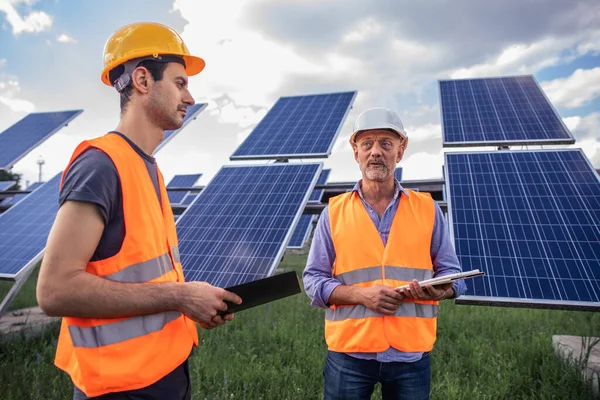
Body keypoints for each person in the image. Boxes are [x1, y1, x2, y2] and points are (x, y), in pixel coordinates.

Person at [36, 22, 242, 399]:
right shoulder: (101, 164)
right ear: (143, 80)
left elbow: (148, 272)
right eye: (180, 83)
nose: (190, 97)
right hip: (119, 386)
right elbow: (54, 291)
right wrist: (180, 297)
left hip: (164, 372)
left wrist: (193, 301)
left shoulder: (148, 167)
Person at [302, 107, 466, 400]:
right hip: (349, 354)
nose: (375, 152)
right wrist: (361, 296)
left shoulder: (428, 209)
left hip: (411, 356)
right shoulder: (333, 212)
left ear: (400, 152)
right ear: (356, 153)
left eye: (385, 144)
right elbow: (313, 281)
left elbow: (454, 276)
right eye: (367, 144)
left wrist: (442, 291)